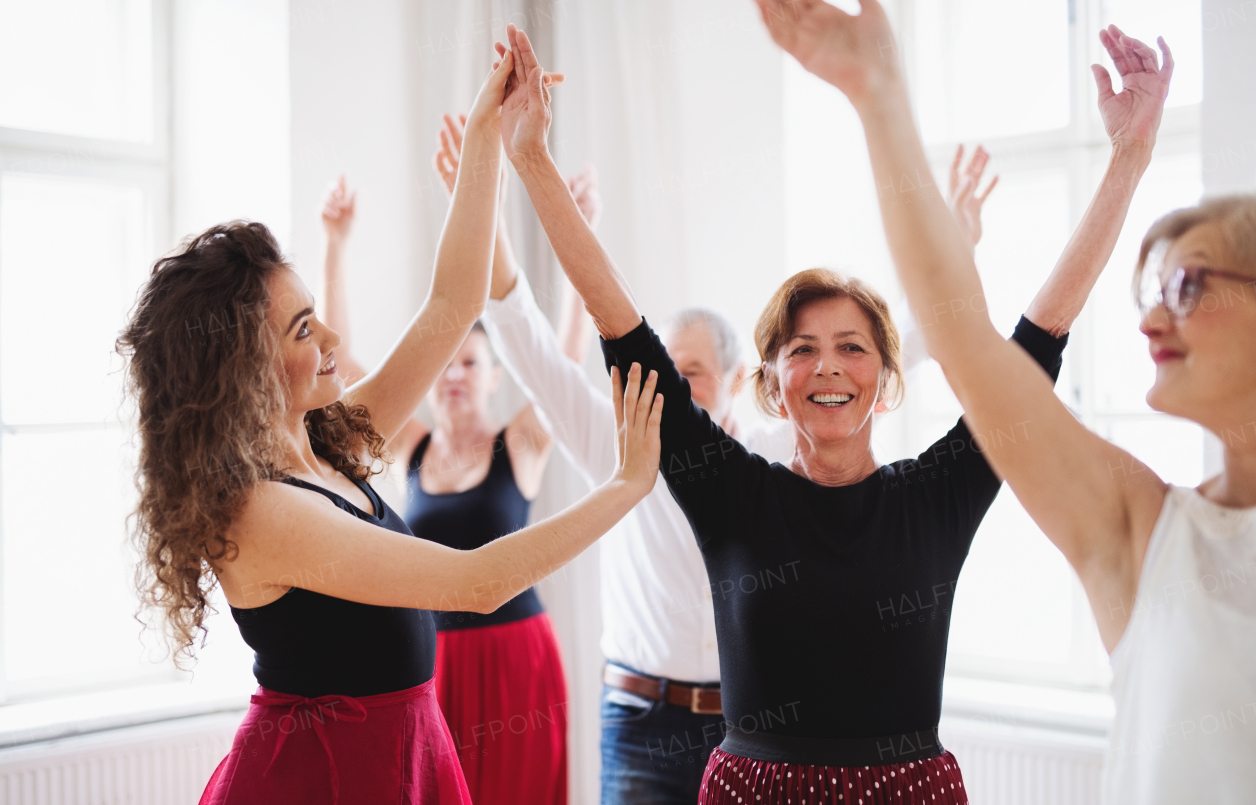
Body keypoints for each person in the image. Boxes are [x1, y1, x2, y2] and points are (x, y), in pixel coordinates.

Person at [491, 20, 1162, 803]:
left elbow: (1039, 336)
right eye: (803, 348)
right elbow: (622, 328)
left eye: (852, 347)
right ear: (773, 383)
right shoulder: (734, 494)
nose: (829, 365)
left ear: (884, 379)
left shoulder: (936, 496)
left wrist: (1128, 160)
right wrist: (530, 159)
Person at [756, 1, 1256, 803]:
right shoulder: (1148, 529)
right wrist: (878, 94)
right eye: (1151, 289)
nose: (1146, 317)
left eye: (1187, 284)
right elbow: (978, 344)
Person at [116, 46, 665, 805]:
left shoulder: (327, 440)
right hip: (326, 778)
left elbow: (452, 303)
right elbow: (478, 582)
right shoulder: (260, 510)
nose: (334, 342)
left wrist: (486, 137)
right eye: (305, 330)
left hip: (399, 750)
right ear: (244, 369)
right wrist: (627, 483)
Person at [432, 103, 996, 803]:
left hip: (751, 732)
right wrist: (492, 194)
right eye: (666, 367)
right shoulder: (616, 432)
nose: (669, 383)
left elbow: (877, 353)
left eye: (690, 371)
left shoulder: (772, 456)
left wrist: (959, 247)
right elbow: (531, 337)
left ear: (738, 382)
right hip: (641, 718)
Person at [312, 149, 602, 805]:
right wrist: (334, 245)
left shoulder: (521, 443)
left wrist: (582, 226)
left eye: (472, 363)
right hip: (433, 660)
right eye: (448, 364)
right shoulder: (410, 447)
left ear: (497, 377)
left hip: (515, 659)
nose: (455, 375)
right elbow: (343, 371)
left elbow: (567, 351)